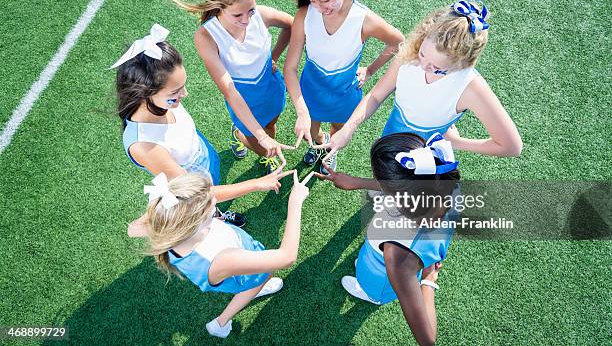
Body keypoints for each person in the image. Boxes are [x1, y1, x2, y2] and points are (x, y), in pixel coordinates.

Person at [112, 24, 291, 236]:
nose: (185, 94)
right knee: (203, 208)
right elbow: (198, 194)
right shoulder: (143, 145)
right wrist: (256, 184)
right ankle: (213, 216)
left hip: (203, 156)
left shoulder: (162, 102)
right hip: (192, 184)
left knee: (213, 193)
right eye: (176, 91)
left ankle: (214, 212)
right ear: (145, 93)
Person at [317, 0, 523, 159]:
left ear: (462, 64)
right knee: (383, 176)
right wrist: (349, 129)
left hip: (424, 156)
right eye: (423, 54)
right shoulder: (411, 50)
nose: (423, 66)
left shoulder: (470, 88)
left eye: (438, 68)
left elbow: (511, 146)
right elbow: (376, 95)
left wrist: (457, 143)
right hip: (391, 135)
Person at [317, 132, 460, 346]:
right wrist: (356, 182)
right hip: (391, 257)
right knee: (367, 260)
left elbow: (428, 340)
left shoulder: (397, 256)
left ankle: (370, 295)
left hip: (383, 277)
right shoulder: (442, 182)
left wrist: (428, 281)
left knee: (370, 284)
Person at [143, 170, 312, 338]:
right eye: (212, 207)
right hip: (241, 272)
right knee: (264, 275)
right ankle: (220, 323)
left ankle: (241, 302)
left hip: (224, 261)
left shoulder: (165, 219)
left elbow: (134, 229)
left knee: (260, 276)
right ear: (195, 224)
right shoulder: (223, 258)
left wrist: (255, 183)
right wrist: (295, 202)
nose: (216, 201)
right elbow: (287, 257)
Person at [283, 0, 404, 174]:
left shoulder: (364, 19)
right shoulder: (304, 15)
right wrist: (301, 111)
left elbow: (399, 42)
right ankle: (320, 144)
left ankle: (330, 152)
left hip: (344, 91)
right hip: (311, 87)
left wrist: (370, 69)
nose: (319, 7)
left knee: (339, 127)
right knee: (314, 130)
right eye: (313, 0)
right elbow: (290, 68)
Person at [168, 0, 294, 174]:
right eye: (237, 14)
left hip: (271, 88)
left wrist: (274, 57)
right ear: (218, 7)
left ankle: (260, 141)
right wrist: (262, 138)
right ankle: (239, 135)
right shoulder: (207, 37)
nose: (246, 20)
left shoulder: (261, 15)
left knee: (271, 125)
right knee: (258, 142)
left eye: (251, 10)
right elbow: (230, 91)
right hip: (241, 97)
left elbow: (292, 26)